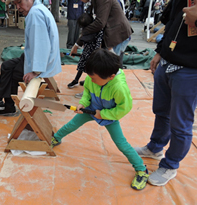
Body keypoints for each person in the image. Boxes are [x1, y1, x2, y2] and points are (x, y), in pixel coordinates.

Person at [51, 49, 149, 190]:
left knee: (122, 144)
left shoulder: (119, 87)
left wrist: (103, 114)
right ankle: (56, 138)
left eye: (94, 79)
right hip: (91, 108)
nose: (91, 80)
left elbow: (124, 108)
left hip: (109, 115)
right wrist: (83, 103)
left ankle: (141, 169)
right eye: (90, 77)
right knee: (71, 124)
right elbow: (87, 91)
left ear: (111, 76)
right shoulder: (92, 78)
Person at [134, 0, 197, 186]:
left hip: (190, 69)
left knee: (180, 122)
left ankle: (170, 164)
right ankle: (155, 147)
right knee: (162, 111)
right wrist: (160, 52)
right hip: (167, 61)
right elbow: (170, 22)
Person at [0, 0, 62, 116]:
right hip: (40, 58)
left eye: (19, 2)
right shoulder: (37, 9)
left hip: (42, 63)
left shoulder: (35, 14)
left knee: (12, 74)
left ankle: (9, 107)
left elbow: (41, 44)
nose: (18, 7)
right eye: (15, 5)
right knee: (6, 65)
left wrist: (35, 71)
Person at [70, 0, 133, 97]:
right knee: (106, 67)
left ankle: (99, 93)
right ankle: (97, 90)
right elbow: (94, 24)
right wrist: (77, 44)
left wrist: (80, 39)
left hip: (117, 36)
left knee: (108, 68)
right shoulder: (95, 2)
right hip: (112, 36)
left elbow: (99, 23)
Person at [67, 12, 103, 88]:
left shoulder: (98, 31)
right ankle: (76, 80)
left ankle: (89, 81)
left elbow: (98, 44)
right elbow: (82, 39)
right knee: (81, 66)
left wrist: (95, 55)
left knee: (91, 69)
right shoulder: (86, 30)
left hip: (93, 54)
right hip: (86, 51)